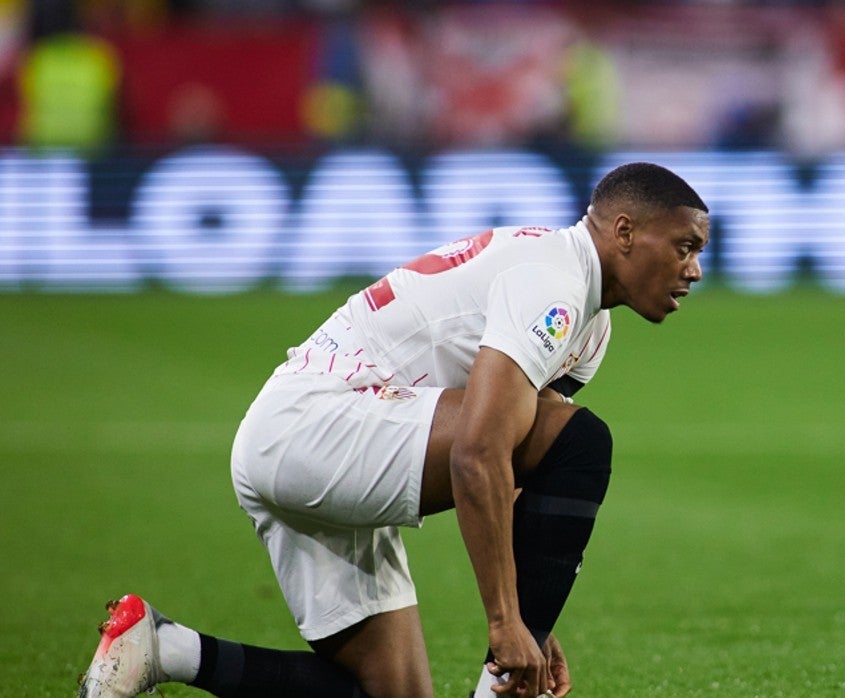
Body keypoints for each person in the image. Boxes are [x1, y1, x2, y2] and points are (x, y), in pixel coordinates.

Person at [77, 162, 710, 698]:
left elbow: (522, 468)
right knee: (583, 441)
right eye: (684, 246)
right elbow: (479, 453)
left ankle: (160, 648)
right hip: (320, 423)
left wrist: (534, 617)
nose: (694, 270)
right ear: (624, 232)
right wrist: (509, 622)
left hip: (309, 431)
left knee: (393, 690)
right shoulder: (555, 284)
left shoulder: (589, 328)